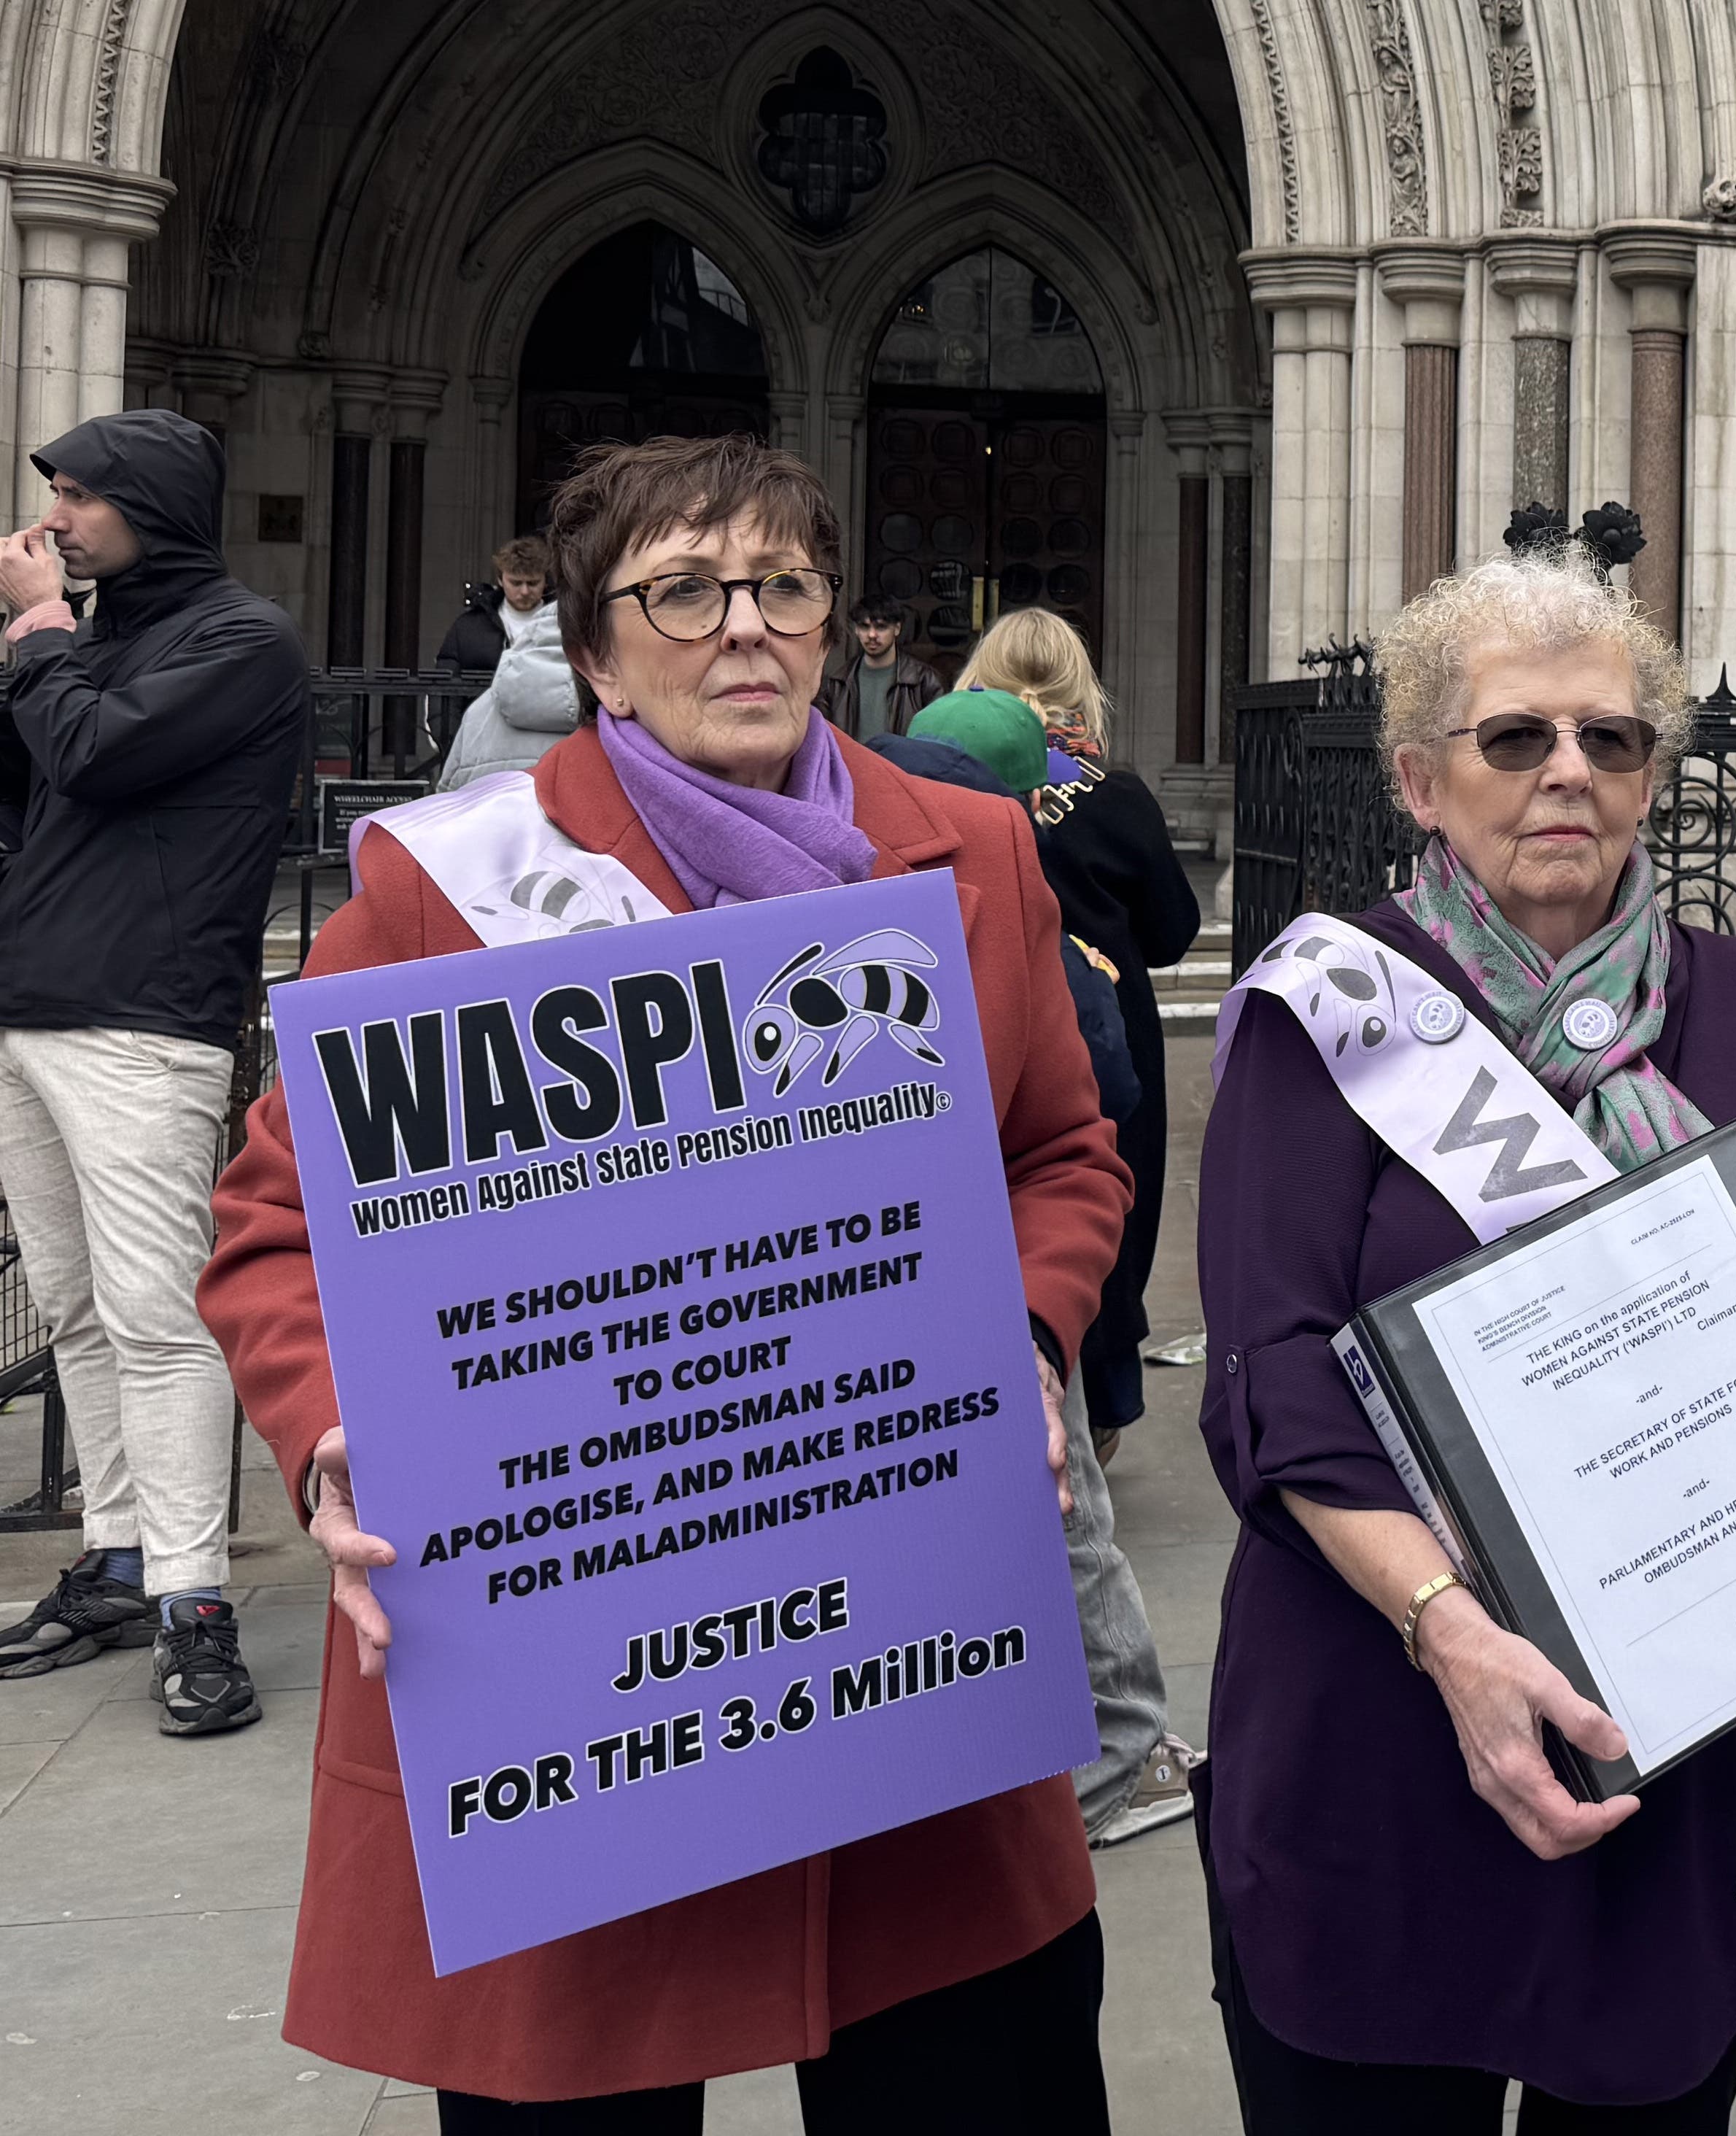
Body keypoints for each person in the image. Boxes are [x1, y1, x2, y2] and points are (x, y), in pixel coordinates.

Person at [195, 432, 1135, 2130]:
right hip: (583, 1693)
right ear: (597, 642)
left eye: (784, 586)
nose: (745, 629)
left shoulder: (973, 852)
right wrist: (339, 1436)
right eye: (684, 592)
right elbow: (275, 1224)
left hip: (892, 1643)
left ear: (839, 622)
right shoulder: (441, 891)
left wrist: (1014, 1332)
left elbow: (1062, 1155)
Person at [1196, 552, 1736, 2131]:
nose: (1569, 774)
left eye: (1613, 739)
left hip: (1663, 1751)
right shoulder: (1330, 1013)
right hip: (1386, 1718)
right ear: (1420, 778)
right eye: (1515, 738)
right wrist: (1453, 1633)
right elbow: (1275, 1384)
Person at [0, 409, 311, 1734]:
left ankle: (196, 1604)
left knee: (157, 1313)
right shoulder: (97, 639)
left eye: (78, 497)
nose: (54, 522)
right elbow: (33, 790)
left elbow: (97, 752)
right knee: (72, 1304)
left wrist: (39, 640)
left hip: (143, 1017)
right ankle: (121, 1557)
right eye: (53, 496)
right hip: (34, 1003)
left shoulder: (245, 640)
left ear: (152, 506)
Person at [884, 687, 1195, 1848]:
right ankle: (1114, 1763)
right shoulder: (1024, 907)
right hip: (974, 1285)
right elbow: (1097, 1100)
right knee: (1068, 1528)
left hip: (936, 1286)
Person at [958, 608, 1197, 1460]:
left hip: (981, 1028)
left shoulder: (944, 789)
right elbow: (1172, 930)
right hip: (1106, 1040)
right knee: (1101, 1206)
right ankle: (1100, 1406)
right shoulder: (1111, 792)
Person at [433, 598, 576, 791]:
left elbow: (449, 798)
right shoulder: (615, 711)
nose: (524, 592)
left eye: (531, 582)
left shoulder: (477, 716)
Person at [813, 595, 939, 740]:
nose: (872, 635)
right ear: (856, 630)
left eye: (881, 627)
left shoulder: (924, 681)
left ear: (897, 628)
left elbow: (936, 737)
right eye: (864, 627)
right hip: (852, 763)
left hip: (899, 763)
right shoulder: (836, 683)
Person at [436, 535, 549, 670]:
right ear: (500, 580)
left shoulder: (564, 624)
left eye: (533, 583)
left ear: (546, 581)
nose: (525, 591)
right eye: (516, 583)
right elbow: (447, 676)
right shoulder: (468, 627)